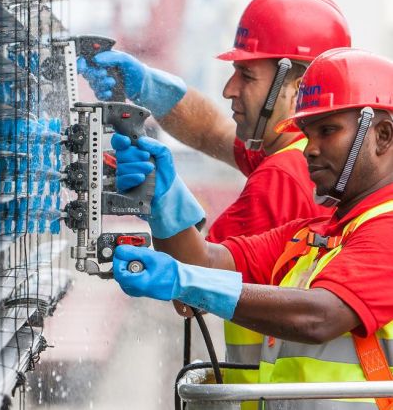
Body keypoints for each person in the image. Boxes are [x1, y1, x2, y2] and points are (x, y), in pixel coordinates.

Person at [78, 0, 351, 401]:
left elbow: (194, 289)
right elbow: (213, 132)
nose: (229, 89)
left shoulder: (282, 177)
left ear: (296, 87)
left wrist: (162, 198)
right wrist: (147, 85)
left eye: (247, 76)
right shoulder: (299, 154)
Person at [112, 48, 393, 410]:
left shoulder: (386, 227)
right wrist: (164, 201)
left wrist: (187, 282)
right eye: (308, 133)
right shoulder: (314, 236)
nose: (309, 149)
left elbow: (320, 316)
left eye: (327, 130)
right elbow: (204, 261)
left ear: (383, 136)